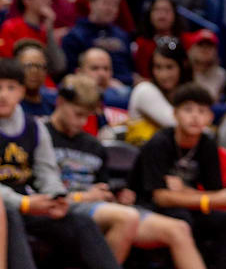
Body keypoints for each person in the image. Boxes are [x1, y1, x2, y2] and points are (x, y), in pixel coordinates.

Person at [48, 73, 208, 269]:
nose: (82, 122)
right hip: (63, 206)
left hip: (99, 209)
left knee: (179, 229)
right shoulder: (42, 135)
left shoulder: (94, 145)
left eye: (87, 116)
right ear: (60, 102)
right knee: (127, 218)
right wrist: (82, 197)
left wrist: (117, 195)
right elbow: (39, 188)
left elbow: (102, 187)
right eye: (78, 114)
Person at [0, 59, 121, 269]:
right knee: (9, 216)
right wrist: (23, 203)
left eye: (11, 87)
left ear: (21, 91)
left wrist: (57, 199)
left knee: (80, 222)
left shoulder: (34, 127)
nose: (3, 94)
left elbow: (46, 172)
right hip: (9, 205)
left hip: (30, 203)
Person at [128, 83, 226, 269]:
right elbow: (161, 198)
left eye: (201, 111)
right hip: (149, 207)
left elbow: (211, 191)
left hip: (187, 206)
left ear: (210, 117)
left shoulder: (207, 145)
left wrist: (185, 190)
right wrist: (209, 199)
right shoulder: (158, 144)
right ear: (175, 114)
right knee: (181, 218)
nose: (195, 116)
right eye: (188, 110)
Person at [61, 0, 135, 86]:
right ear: (91, 3)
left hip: (126, 87)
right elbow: (71, 73)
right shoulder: (75, 36)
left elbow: (130, 70)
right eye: (105, 3)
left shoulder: (123, 35)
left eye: (114, 4)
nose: (110, 8)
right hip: (90, 88)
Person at [127, 37, 190, 145]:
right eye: (158, 67)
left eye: (169, 67)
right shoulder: (144, 90)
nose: (163, 75)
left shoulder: (187, 92)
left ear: (183, 66)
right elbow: (180, 125)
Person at [0, 0, 65, 77]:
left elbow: (58, 67)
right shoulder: (11, 27)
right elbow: (7, 62)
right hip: (19, 80)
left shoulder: (46, 31)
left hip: (44, 84)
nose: (49, 1)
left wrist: (49, 30)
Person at [133, 0, 184, 79]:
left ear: (175, 14)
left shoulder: (186, 41)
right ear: (150, 14)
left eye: (166, 11)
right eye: (157, 10)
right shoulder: (141, 44)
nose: (162, 15)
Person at [183, 29, 226, 103]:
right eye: (200, 45)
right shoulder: (182, 71)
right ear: (191, 48)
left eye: (209, 46)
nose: (205, 50)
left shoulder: (221, 74)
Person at [15, 40, 56, 118]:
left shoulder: (55, 101)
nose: (34, 71)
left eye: (39, 66)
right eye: (28, 66)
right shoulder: (10, 105)